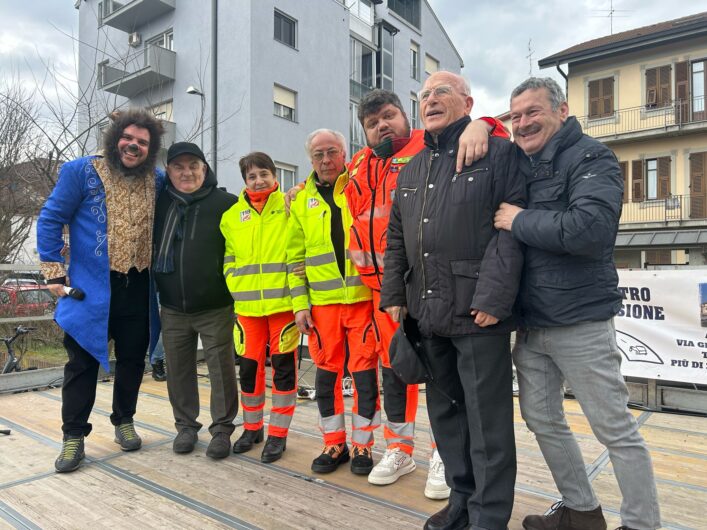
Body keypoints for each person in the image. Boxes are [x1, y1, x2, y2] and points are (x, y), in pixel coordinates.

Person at [287, 90, 507, 498]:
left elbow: (492, 138)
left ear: (405, 116)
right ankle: (401, 449)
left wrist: (486, 123)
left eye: (389, 116)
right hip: (380, 290)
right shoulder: (358, 163)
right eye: (372, 123)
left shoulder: (432, 145)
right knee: (397, 370)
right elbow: (323, 179)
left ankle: (447, 454)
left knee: (444, 373)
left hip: (427, 282)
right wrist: (297, 191)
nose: (381, 126)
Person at [493, 77, 661, 530]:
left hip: (580, 321)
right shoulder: (522, 163)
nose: (523, 123)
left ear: (561, 111)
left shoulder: (591, 156)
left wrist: (520, 220)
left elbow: (589, 230)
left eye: (533, 112)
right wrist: (479, 127)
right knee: (541, 419)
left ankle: (643, 524)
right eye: (515, 116)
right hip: (532, 323)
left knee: (614, 430)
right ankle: (581, 510)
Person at [380, 71, 524, 530]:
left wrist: (495, 296)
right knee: (446, 416)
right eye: (423, 95)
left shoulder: (496, 153)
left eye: (442, 91)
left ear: (468, 102)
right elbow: (397, 238)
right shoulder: (413, 168)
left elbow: (510, 233)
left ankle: (488, 516)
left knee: (489, 426)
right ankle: (462, 502)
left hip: (478, 313)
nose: (430, 99)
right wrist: (394, 297)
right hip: (427, 314)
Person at [37, 108, 165, 473]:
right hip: (92, 287)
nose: (134, 146)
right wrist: (54, 274)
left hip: (139, 287)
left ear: (150, 148)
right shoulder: (80, 171)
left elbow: (195, 187)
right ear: (114, 138)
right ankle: (73, 436)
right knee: (81, 364)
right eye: (128, 137)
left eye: (142, 141)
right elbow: (50, 218)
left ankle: (124, 420)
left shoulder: (156, 181)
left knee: (131, 360)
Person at [286, 129, 379, 475]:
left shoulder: (360, 187)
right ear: (310, 160)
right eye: (318, 155)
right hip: (322, 308)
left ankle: (363, 447)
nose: (326, 161)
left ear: (344, 153)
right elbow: (294, 259)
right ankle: (334, 442)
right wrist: (299, 304)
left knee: (366, 378)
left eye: (332, 152)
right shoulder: (298, 202)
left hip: (361, 300)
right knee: (325, 380)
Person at [152, 142, 239, 460]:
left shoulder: (227, 203)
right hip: (172, 306)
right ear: (169, 172)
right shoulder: (159, 204)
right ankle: (186, 427)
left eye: (194, 165)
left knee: (221, 370)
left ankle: (222, 430)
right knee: (178, 370)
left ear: (205, 169)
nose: (187, 172)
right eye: (179, 166)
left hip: (215, 305)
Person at [220, 152, 299, 464]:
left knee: (283, 372)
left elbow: (320, 187)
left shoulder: (290, 205)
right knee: (250, 372)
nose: (258, 180)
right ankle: (252, 428)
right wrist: (234, 283)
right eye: (252, 176)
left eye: (263, 173)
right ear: (245, 181)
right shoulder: (231, 216)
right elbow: (228, 257)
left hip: (283, 307)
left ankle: (278, 434)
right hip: (248, 310)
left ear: (274, 173)